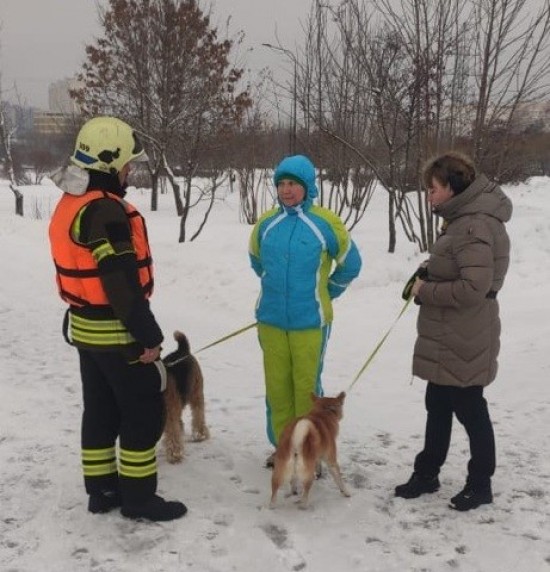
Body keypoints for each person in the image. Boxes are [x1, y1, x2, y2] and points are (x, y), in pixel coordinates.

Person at [48, 116, 186, 521]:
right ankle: (139, 499)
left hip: (86, 332)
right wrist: (148, 335)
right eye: (127, 163)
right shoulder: (106, 210)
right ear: (110, 163)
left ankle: (103, 490)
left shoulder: (73, 203)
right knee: (144, 412)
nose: (130, 171)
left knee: (100, 411)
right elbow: (119, 282)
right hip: (116, 331)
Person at [395, 151, 512, 511]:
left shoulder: (473, 224)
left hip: (466, 334)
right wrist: (431, 269)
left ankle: (480, 484)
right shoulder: (462, 220)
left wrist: (424, 290)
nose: (428, 194)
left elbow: (473, 287)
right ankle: (427, 473)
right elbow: (460, 266)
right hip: (449, 333)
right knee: (438, 403)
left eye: (433, 188)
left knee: (469, 408)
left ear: (452, 187)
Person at [248, 154, 362, 465]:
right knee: (277, 387)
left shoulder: (325, 223)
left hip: (310, 322)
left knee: (306, 389)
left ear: (308, 187)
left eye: (293, 184)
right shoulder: (267, 224)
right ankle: (284, 446)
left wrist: (327, 291)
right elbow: (257, 261)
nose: (286, 190)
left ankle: (310, 448)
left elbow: (351, 264)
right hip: (271, 321)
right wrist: (277, 291)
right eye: (281, 184)